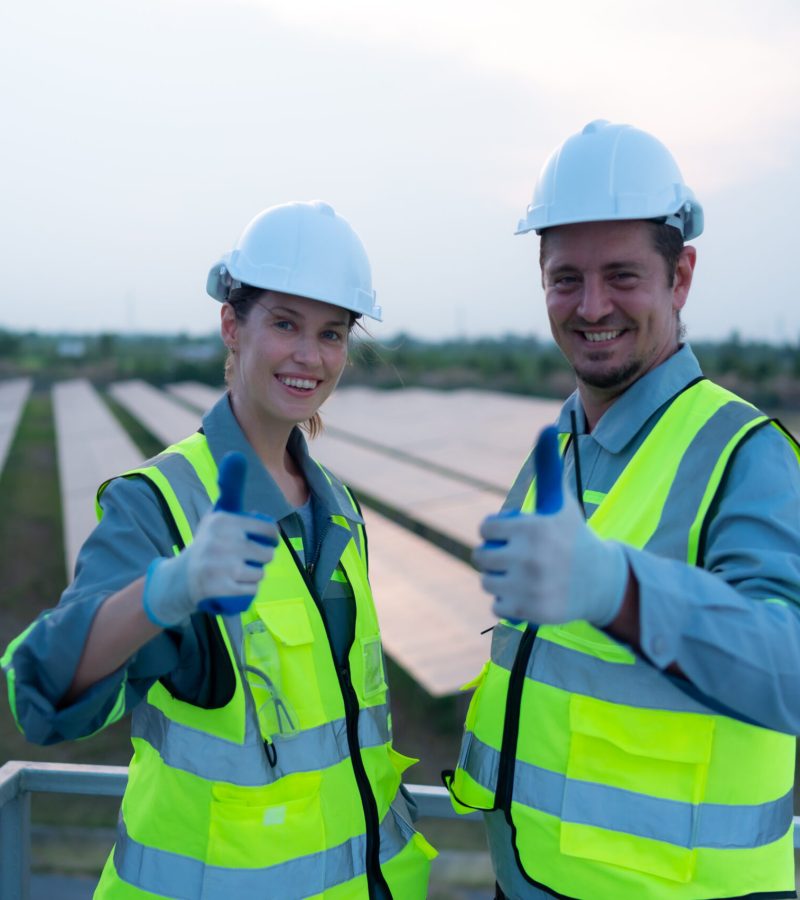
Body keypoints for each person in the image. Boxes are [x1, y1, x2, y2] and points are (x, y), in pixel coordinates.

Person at [2, 200, 435, 898]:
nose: (309, 355)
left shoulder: (338, 511)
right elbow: (44, 692)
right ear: (233, 325)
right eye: (285, 324)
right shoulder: (161, 504)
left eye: (331, 333)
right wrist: (167, 589)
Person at [446, 120, 800, 899]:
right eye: (565, 277)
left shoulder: (745, 454)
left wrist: (621, 590)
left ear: (681, 278)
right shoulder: (562, 443)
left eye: (623, 275)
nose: (591, 305)